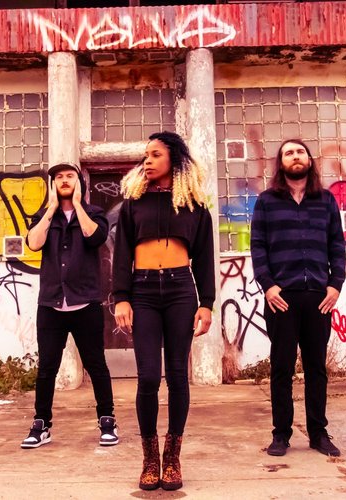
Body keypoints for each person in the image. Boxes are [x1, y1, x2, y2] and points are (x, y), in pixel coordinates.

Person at [112, 131, 215, 490]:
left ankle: (172, 457)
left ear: (175, 158)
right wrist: (121, 297)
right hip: (142, 291)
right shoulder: (133, 203)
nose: (148, 160)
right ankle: (150, 458)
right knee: (148, 378)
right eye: (146, 155)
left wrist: (206, 303)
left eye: (155, 154)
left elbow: (204, 258)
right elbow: (121, 254)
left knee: (177, 375)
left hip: (180, 291)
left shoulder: (195, 206)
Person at [251, 139, 346, 458]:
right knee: (281, 367)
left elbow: (337, 246)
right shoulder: (266, 201)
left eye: (300, 152)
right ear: (281, 163)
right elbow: (258, 247)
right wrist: (268, 285)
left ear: (309, 160)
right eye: (288, 153)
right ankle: (281, 434)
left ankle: (318, 434)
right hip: (281, 298)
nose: (295, 156)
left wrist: (335, 285)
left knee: (316, 368)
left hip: (319, 297)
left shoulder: (326, 200)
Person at [21, 162, 118, 449]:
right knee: (46, 368)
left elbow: (95, 237)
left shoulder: (94, 214)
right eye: (59, 177)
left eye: (70, 176)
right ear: (52, 185)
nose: (64, 180)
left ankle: (107, 421)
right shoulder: (43, 216)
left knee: (96, 365)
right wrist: (51, 208)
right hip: (51, 304)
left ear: (79, 182)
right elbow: (33, 243)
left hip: (85, 302)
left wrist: (77, 204)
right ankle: (41, 424)